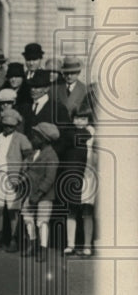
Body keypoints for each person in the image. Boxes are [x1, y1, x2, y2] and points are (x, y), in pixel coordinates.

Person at [0, 108, 33, 253]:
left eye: (11, 126)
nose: (8, 128)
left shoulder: (21, 138)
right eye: (6, 125)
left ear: (16, 126)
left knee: (13, 209)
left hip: (12, 177)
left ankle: (13, 238)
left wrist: (21, 172)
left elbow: (29, 156)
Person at [22, 122, 61, 262]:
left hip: (44, 195)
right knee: (28, 219)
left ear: (44, 139)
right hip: (30, 191)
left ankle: (43, 249)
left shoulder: (51, 156)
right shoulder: (34, 153)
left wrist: (38, 194)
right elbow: (27, 168)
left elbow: (50, 178)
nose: (33, 139)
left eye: (36, 137)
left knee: (42, 222)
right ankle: (32, 244)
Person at [61, 105, 97, 256]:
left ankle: (87, 245)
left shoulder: (95, 135)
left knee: (87, 210)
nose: (80, 121)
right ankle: (71, 244)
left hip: (89, 174)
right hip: (74, 174)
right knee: (72, 210)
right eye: (77, 118)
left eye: (83, 118)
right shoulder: (70, 134)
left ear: (89, 120)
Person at [52, 57, 89, 123]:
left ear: (78, 72)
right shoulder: (55, 88)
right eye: (66, 73)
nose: (69, 76)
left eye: (73, 73)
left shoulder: (85, 90)